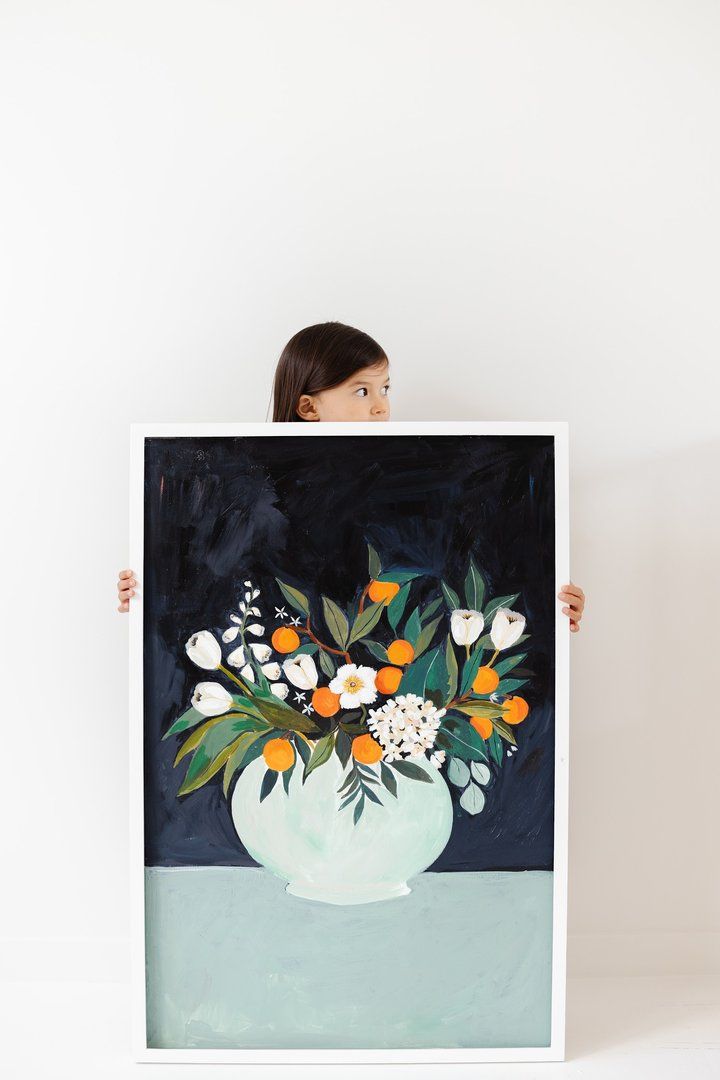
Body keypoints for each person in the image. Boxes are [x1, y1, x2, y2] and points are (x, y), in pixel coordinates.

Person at [117, 321, 585, 628]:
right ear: (308, 407)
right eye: (361, 390)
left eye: (384, 388)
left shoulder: (414, 487)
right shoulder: (244, 489)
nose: (381, 405)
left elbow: (460, 582)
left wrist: (550, 604)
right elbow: (207, 586)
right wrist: (145, 588)